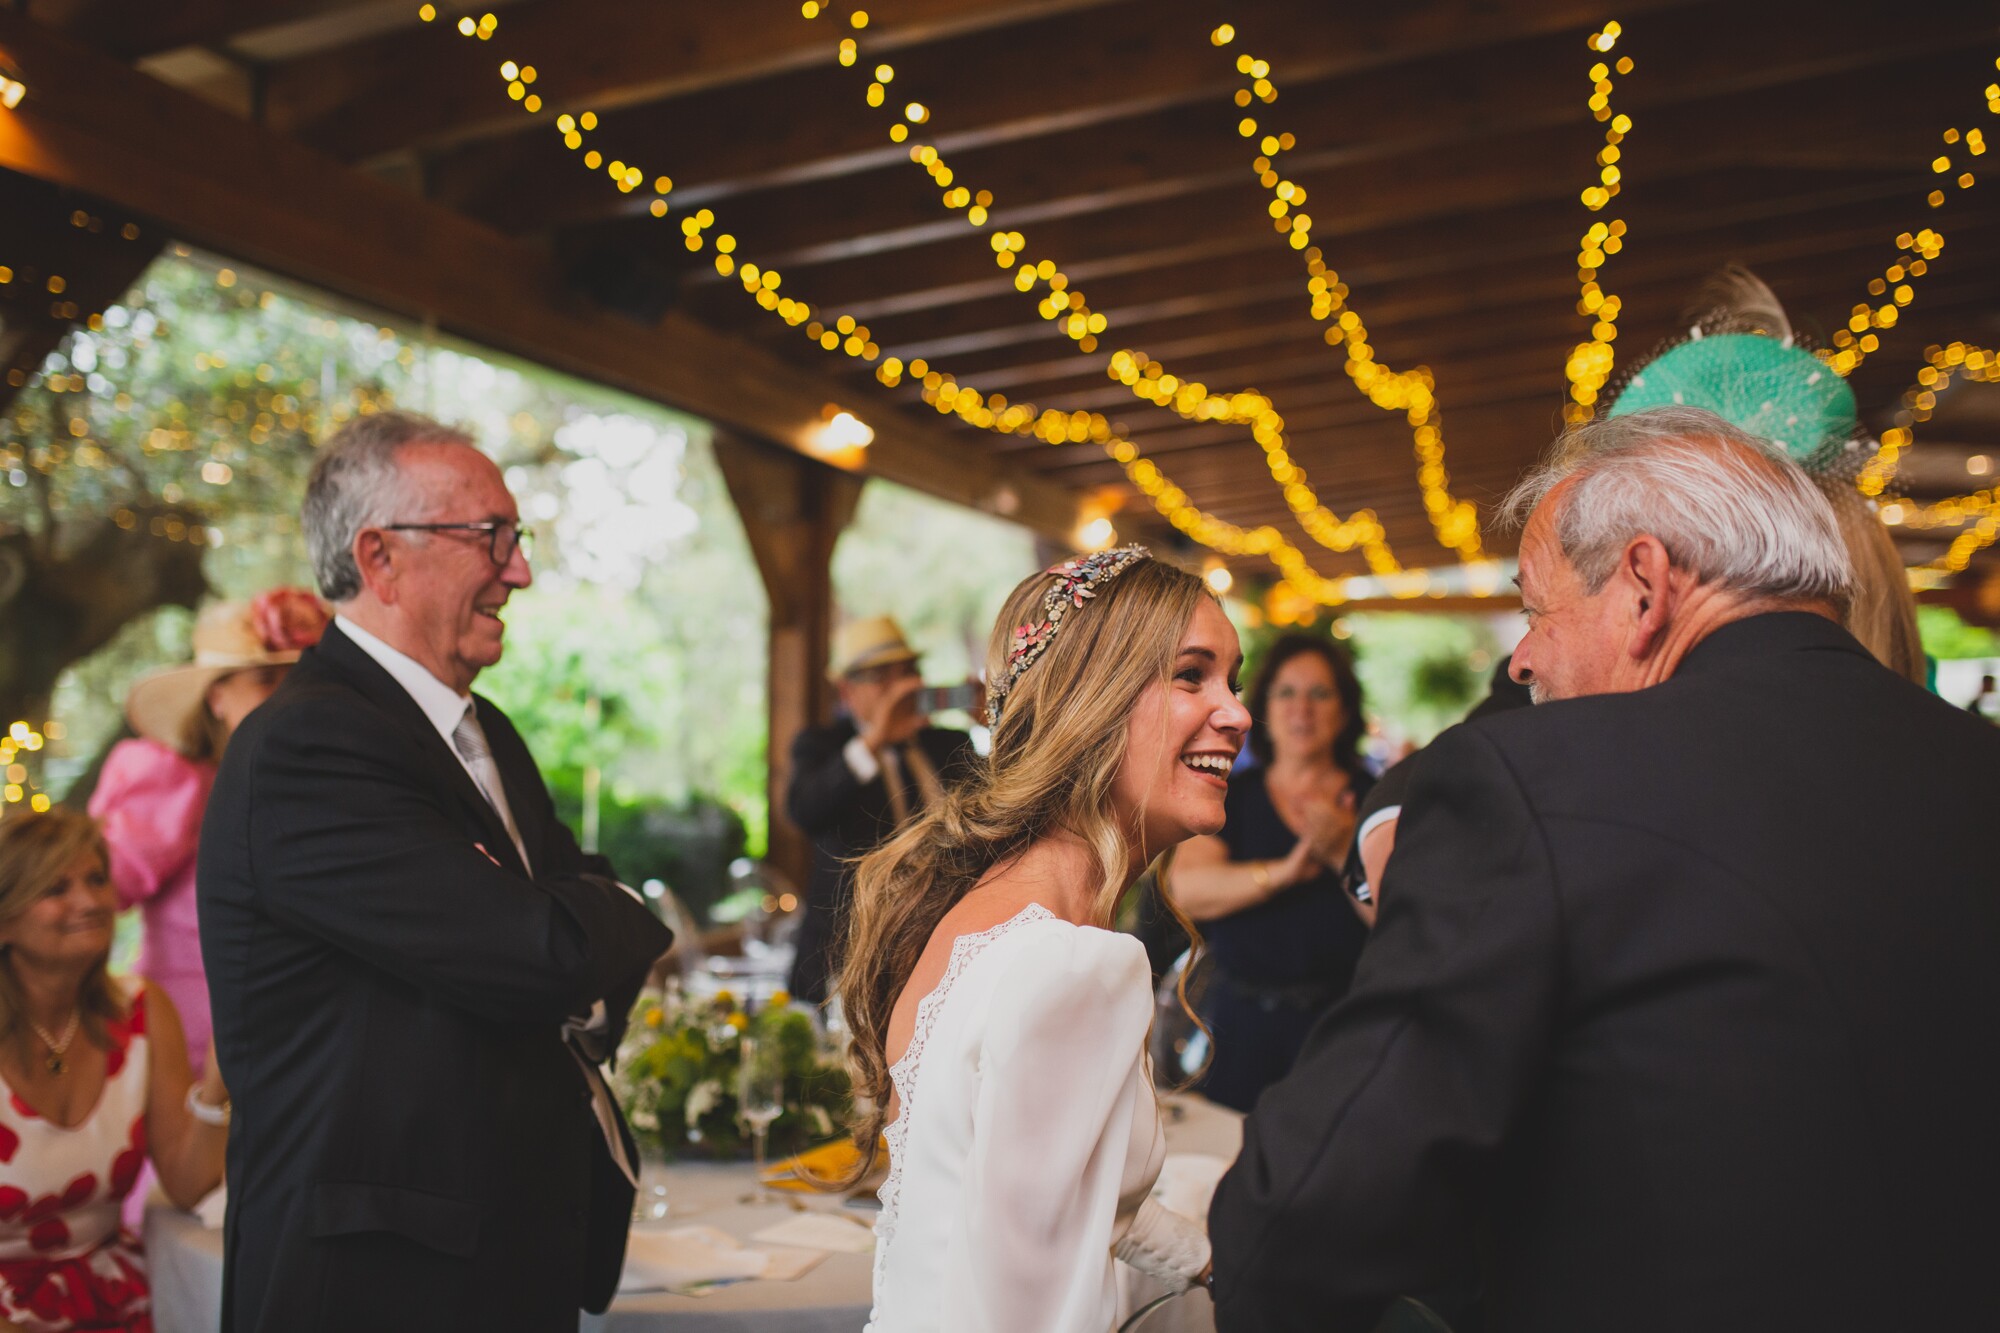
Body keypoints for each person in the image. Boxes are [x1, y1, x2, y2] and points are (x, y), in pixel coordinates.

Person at [1208, 406, 2000, 1332]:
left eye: (1536, 609)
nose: (1524, 656)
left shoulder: (1538, 776)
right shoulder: (1974, 763)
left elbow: (1310, 1213)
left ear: (1643, 584)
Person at [197, 411, 674, 1332]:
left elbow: (548, 950)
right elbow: (543, 952)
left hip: (502, 1261)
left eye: (517, 537)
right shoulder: (308, 745)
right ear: (381, 558)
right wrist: (601, 915)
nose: (520, 570)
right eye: (490, 536)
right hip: (376, 1286)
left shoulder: (487, 732)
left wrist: (572, 934)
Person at [841, 548, 1239, 1332]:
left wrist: (1216, 1261)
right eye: (1192, 675)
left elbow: (1084, 1199)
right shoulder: (1073, 964)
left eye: (1233, 679)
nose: (1235, 710)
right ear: (1094, 700)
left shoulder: (979, 913)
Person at [0, 807, 227, 1333]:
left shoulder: (142, 1011)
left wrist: (218, 1083)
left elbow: (189, 1185)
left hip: (110, 1301)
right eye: (57, 889)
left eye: (97, 880)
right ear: (5, 920)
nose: (91, 902)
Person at [87, 588, 328, 1079]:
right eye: (266, 680)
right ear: (216, 697)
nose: (287, 696)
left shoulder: (310, 786)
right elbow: (102, 884)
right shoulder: (176, 778)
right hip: (195, 1042)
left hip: (296, 1035)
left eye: (298, 679)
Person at [1165, 634, 1370, 1111]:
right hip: (1239, 1024)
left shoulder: (1372, 798)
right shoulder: (1231, 792)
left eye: (1320, 693)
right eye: (1286, 692)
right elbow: (1188, 890)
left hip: (1341, 1029)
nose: (1303, 709)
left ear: (1344, 709)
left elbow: (1400, 918)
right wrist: (1284, 872)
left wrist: (1342, 851)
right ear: (1265, 709)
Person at [785, 616, 975, 1005]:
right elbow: (805, 810)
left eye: (909, 672)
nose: (903, 688)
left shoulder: (948, 743)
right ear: (846, 690)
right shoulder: (823, 746)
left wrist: (996, 720)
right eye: (882, 677)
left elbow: (1006, 807)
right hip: (848, 952)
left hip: (941, 947)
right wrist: (873, 740)